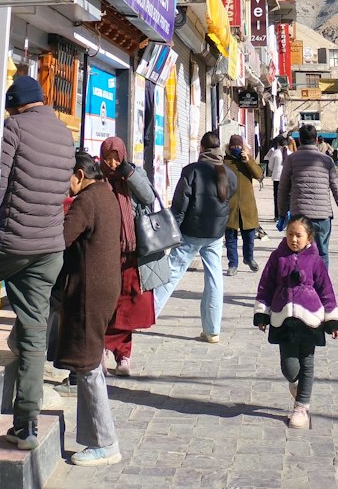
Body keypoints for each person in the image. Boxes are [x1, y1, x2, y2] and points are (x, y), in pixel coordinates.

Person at [0, 75, 76, 451]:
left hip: (10, 244)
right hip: (49, 248)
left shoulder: (14, 128)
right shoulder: (63, 133)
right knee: (32, 334)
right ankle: (26, 426)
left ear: (15, 105)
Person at [56, 151, 123, 467]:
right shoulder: (105, 194)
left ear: (80, 175)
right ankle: (98, 439)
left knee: (89, 366)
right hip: (103, 288)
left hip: (90, 293)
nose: (66, 187)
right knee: (89, 362)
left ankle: (104, 443)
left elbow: (62, 238)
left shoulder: (86, 201)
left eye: (67, 179)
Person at [254, 215, 338, 430]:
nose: (293, 239)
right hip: (282, 318)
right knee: (290, 367)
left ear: (309, 237)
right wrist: (262, 313)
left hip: (310, 320)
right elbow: (265, 285)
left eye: (298, 235)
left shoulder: (315, 259)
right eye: (290, 234)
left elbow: (326, 289)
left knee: (307, 363)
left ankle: (301, 408)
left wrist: (332, 320)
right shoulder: (277, 257)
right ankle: (296, 384)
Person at [154, 131, 237, 342]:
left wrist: (174, 229)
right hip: (215, 234)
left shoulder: (191, 171)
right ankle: (212, 330)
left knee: (171, 274)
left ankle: (148, 315)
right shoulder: (229, 174)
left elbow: (180, 204)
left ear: (201, 148)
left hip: (191, 232)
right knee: (214, 278)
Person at [99, 137, 156, 376]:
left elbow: (149, 198)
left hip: (131, 252)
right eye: (108, 158)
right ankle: (101, 349)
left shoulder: (134, 172)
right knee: (105, 302)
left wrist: (129, 174)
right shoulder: (98, 177)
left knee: (128, 305)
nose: (112, 163)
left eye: (116, 157)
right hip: (103, 252)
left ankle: (123, 355)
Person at [277, 122, 338, 266]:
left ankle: (302, 285)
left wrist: (282, 214)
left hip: (299, 216)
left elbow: (283, 189)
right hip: (322, 217)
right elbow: (337, 188)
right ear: (316, 140)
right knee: (322, 254)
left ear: (299, 140)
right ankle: (321, 287)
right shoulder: (327, 160)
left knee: (299, 252)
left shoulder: (291, 159)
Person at [224, 134, 264, 274]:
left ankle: (249, 258)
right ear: (229, 147)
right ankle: (233, 264)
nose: (236, 149)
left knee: (249, 236)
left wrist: (248, 161)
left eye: (238, 146)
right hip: (230, 205)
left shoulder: (247, 159)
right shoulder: (225, 162)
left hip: (247, 205)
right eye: (233, 146)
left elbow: (259, 175)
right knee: (230, 238)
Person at [266, 137, 286, 221]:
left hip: (277, 178)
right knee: (286, 197)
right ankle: (285, 214)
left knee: (277, 197)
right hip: (286, 177)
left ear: (278, 144)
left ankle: (277, 215)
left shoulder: (275, 153)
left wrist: (274, 170)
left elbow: (270, 166)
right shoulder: (290, 153)